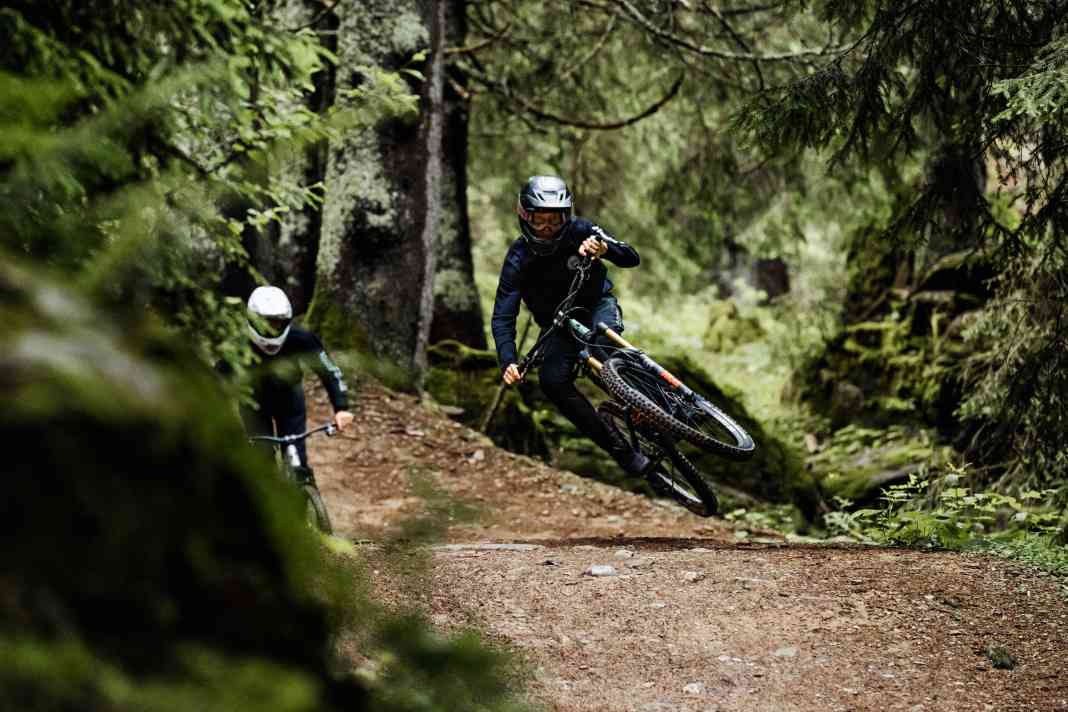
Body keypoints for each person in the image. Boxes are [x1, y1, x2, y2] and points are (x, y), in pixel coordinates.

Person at [491, 175, 651, 476]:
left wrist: (605, 249)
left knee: (602, 344)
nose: (548, 227)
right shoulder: (518, 258)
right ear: (525, 217)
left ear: (567, 216)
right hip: (559, 325)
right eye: (541, 221)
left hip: (596, 307)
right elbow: (503, 315)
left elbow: (632, 257)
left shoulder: (582, 230)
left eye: (555, 219)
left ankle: (658, 399)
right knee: (551, 381)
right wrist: (507, 359)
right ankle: (623, 452)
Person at [238, 285, 354, 485]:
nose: (272, 329)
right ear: (252, 320)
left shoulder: (301, 339)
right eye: (265, 323)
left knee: (297, 461)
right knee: (262, 462)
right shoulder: (237, 343)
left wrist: (341, 407)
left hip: (290, 402)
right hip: (253, 405)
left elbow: (329, 370)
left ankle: (304, 502)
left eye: (277, 323)